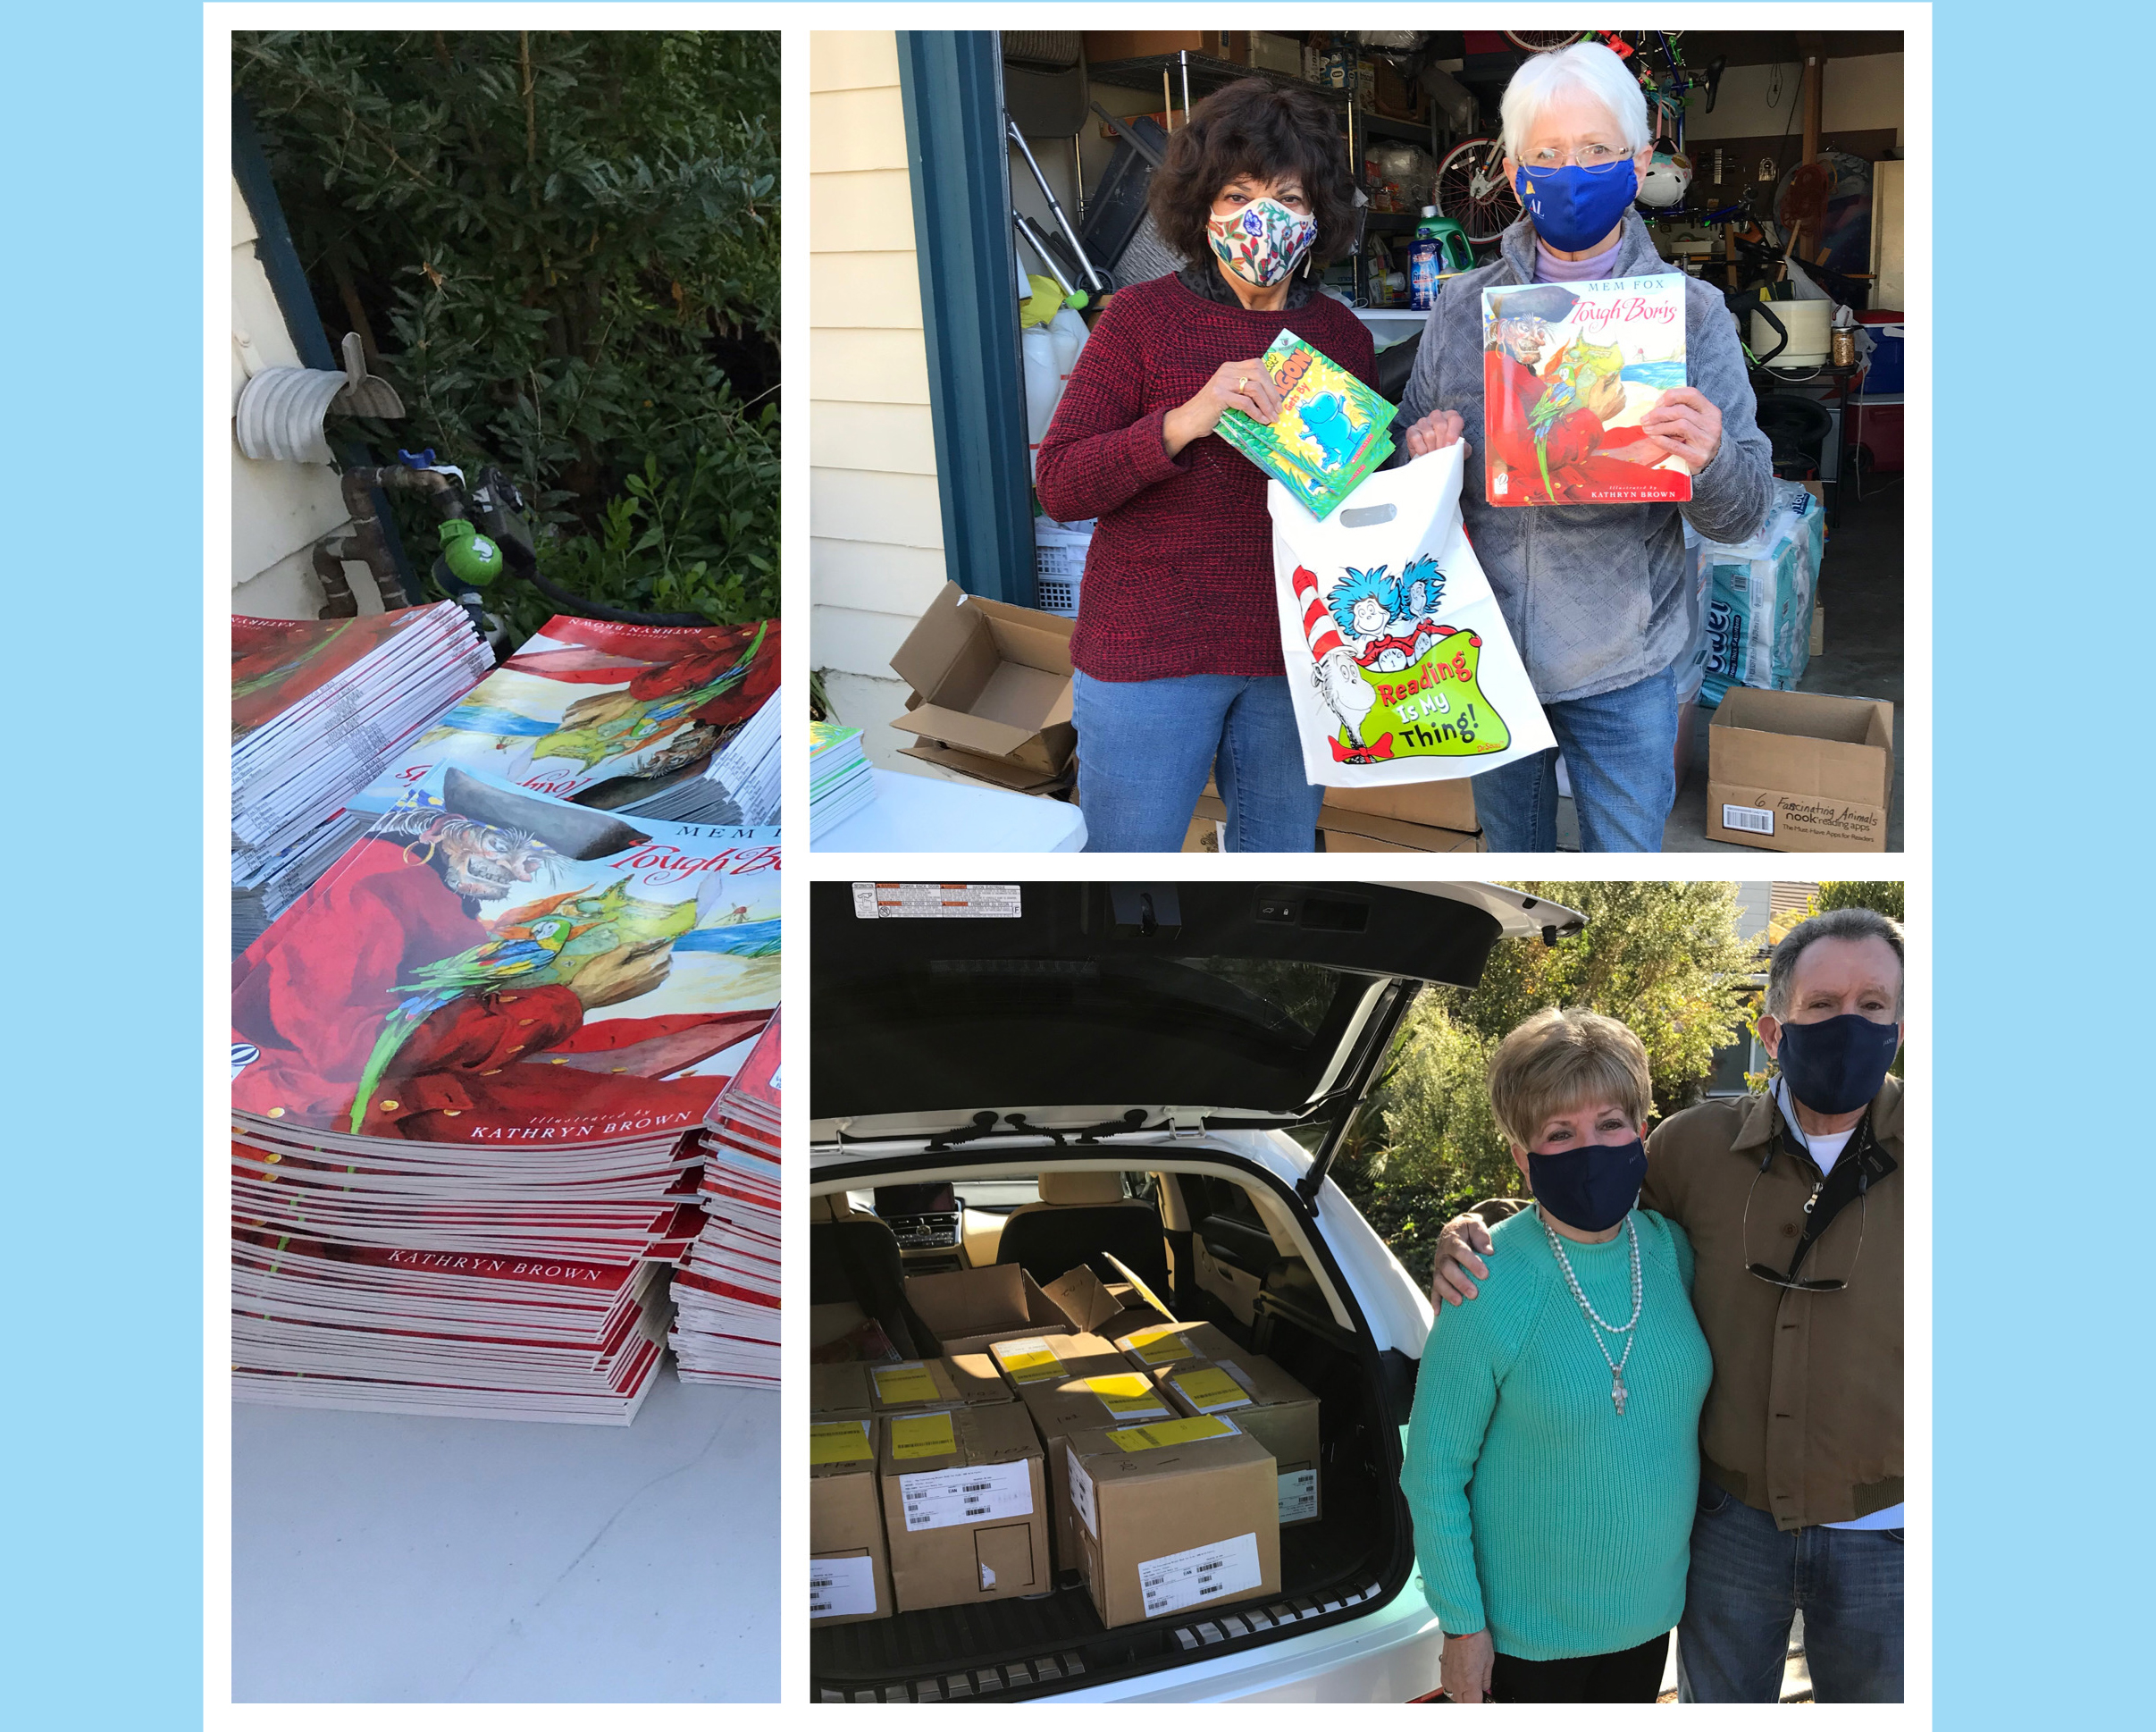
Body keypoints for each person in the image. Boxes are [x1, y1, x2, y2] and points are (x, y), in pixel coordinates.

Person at [1429, 907, 1905, 1702]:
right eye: (1821, 1006)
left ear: (1900, 1022)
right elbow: (1578, 1220)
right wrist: (1464, 1232)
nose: (1847, 1024)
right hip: (1728, 1534)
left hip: (1887, 1528)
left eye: (1872, 1006)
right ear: (1774, 1027)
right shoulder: (1691, 1148)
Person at [1392, 42, 1774, 852]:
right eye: (1547, 154)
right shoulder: (1463, 308)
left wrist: (1708, 458)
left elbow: (1745, 514)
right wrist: (1421, 455)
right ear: (1515, 169)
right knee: (1516, 863)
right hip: (1482, 649)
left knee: (1626, 870)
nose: (1571, 171)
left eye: (1596, 151)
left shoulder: (1692, 315)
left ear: (1637, 165)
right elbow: (1402, 472)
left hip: (1624, 665)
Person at [1035, 78, 1375, 852]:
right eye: (1237, 193)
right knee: (1130, 867)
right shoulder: (1139, 321)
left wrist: (1408, 457)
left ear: (1319, 215)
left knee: (1276, 868)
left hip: (1294, 656)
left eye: (1288, 197)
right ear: (1203, 208)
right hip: (1151, 655)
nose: (1262, 218)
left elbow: (1354, 507)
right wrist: (1183, 423)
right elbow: (1059, 483)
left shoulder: (1340, 336)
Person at [1404, 1009, 1710, 1703]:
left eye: (1610, 1124)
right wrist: (1461, 1627)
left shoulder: (1674, 1253)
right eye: (1558, 1133)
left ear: (1640, 1131)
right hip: (1524, 1639)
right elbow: (1432, 1471)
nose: (1591, 1148)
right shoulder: (1484, 1279)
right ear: (1521, 1153)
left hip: (1646, 1620)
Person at [231, 768, 771, 1140]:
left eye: (531, 858)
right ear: (444, 834)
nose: (518, 869)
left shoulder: (455, 908)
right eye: (501, 846)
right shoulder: (370, 896)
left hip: (399, 1088)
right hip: (311, 1113)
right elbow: (349, 1046)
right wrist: (571, 997)